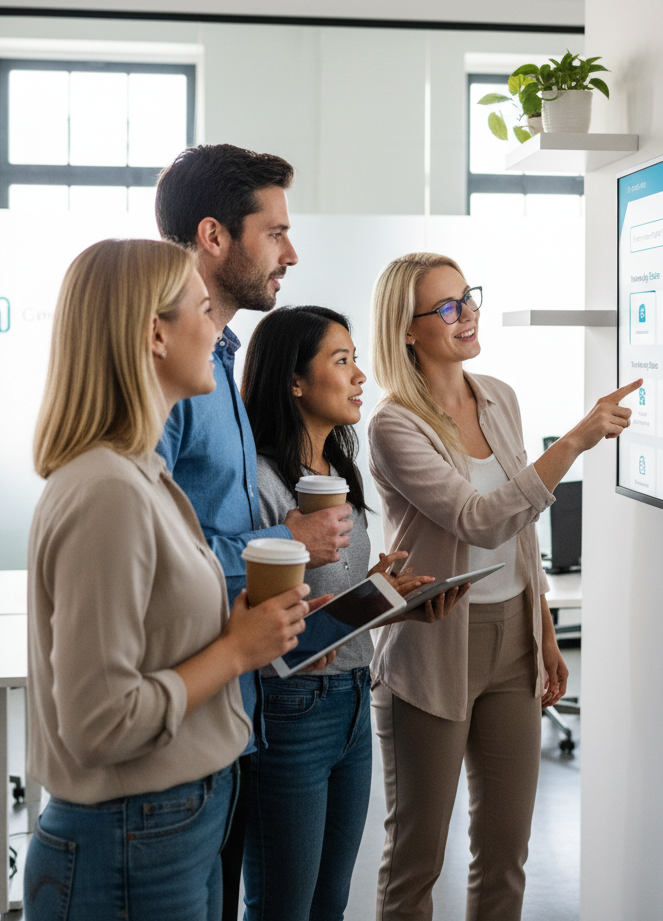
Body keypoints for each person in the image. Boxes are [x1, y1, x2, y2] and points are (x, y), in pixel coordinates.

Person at [23, 239, 316, 920]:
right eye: (203, 310)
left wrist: (248, 628)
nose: (218, 332)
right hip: (133, 836)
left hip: (168, 824)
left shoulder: (140, 475)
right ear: (156, 333)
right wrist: (236, 651)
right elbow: (101, 723)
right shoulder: (108, 490)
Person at [367, 252, 641, 920]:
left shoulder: (499, 396)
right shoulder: (394, 424)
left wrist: (543, 632)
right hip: (433, 646)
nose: (468, 315)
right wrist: (573, 442)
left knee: (505, 854)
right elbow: (479, 518)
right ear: (407, 330)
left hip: (513, 639)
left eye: (469, 298)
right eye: (448, 307)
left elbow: (521, 531)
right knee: (415, 862)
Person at [154, 144, 352, 919]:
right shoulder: (169, 372)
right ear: (213, 236)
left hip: (231, 709)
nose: (290, 254)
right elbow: (151, 554)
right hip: (180, 719)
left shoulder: (220, 363)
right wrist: (287, 542)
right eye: (275, 233)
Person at [238, 305, 461, 921]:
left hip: (352, 699)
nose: (360, 376)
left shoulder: (337, 472)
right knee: (283, 908)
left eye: (356, 359)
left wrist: (386, 599)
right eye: (342, 361)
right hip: (289, 708)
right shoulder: (260, 481)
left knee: (329, 905)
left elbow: (328, 603)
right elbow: (259, 613)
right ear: (294, 381)